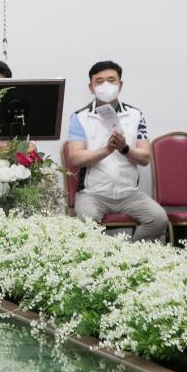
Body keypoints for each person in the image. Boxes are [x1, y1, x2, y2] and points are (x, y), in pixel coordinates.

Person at [66, 60, 168, 241]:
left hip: (129, 193)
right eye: (99, 81)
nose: (106, 85)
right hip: (93, 194)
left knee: (158, 219)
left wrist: (125, 148)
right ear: (91, 87)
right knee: (85, 222)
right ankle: (104, 263)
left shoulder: (136, 115)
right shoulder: (79, 117)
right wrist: (106, 149)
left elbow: (145, 158)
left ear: (120, 85)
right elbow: (75, 158)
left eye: (111, 80)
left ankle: (130, 258)